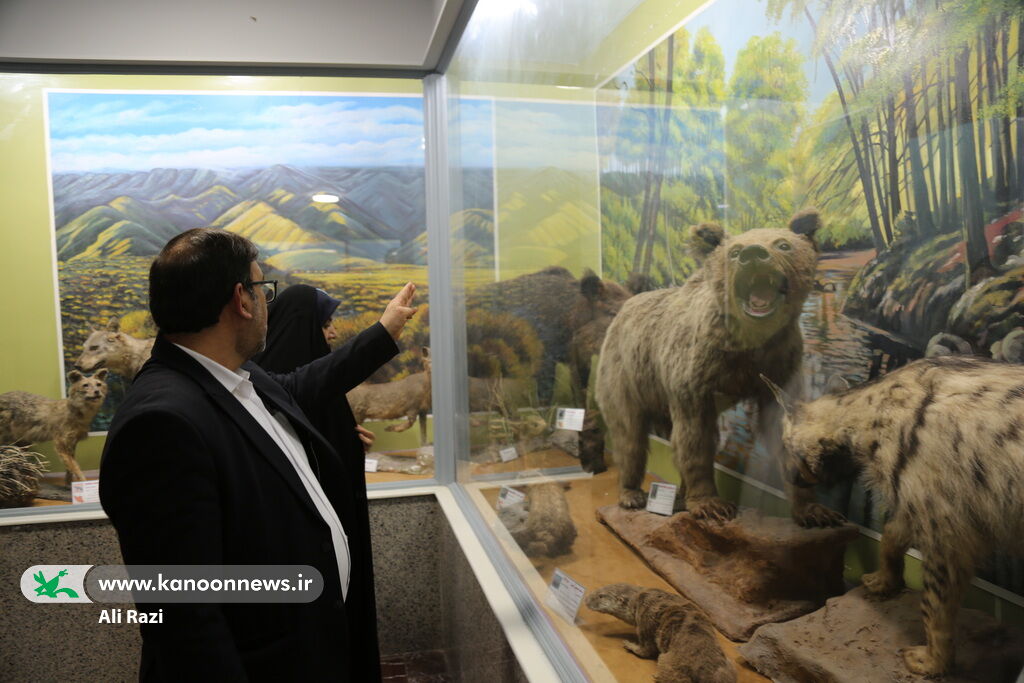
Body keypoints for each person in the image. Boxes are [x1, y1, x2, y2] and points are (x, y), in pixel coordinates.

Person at [99, 228, 416, 682]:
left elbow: (302, 385)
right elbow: (187, 622)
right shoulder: (162, 424)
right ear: (242, 301)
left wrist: (383, 333)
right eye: (263, 288)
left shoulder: (233, 376)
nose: (269, 302)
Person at [251, 284, 382, 680]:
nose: (333, 332)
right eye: (324, 324)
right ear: (300, 326)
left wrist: (345, 437)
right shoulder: (277, 386)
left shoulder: (299, 379)